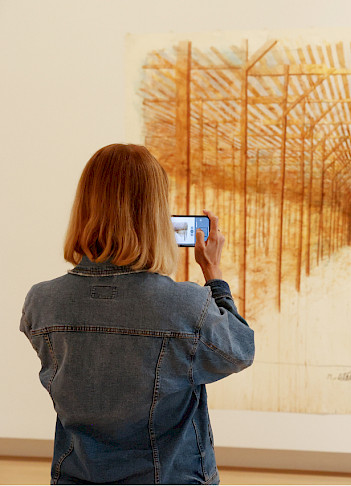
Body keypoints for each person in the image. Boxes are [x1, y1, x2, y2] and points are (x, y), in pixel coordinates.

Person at [20, 144, 254, 484]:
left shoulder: (42, 302)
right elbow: (241, 349)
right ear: (156, 216)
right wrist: (214, 274)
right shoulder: (186, 305)